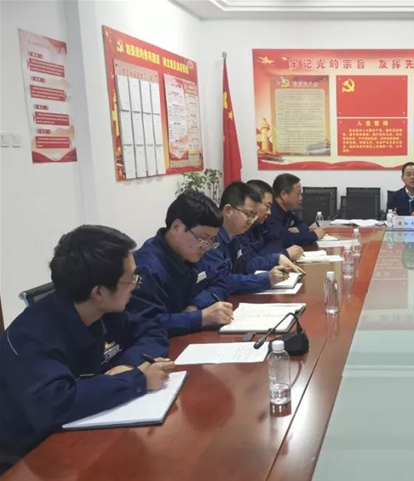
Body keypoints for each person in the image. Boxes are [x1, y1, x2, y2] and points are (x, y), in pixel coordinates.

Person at [0, 226, 172, 469]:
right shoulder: (31, 336)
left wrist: (127, 365)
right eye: (131, 278)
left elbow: (152, 330)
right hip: (30, 454)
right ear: (98, 292)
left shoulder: (104, 310)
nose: (135, 285)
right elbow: (55, 404)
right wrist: (138, 380)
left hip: (87, 426)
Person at [127, 191, 233, 337]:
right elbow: (145, 324)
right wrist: (200, 318)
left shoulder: (194, 251)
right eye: (203, 238)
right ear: (177, 227)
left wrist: (195, 306)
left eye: (211, 240)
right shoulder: (146, 268)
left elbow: (221, 283)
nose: (206, 247)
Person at [193, 182, 301, 309]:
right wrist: (266, 279)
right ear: (228, 210)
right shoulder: (211, 238)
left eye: (254, 215)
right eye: (249, 214)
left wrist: (275, 258)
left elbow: (244, 266)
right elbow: (224, 281)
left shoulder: (233, 235)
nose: (252, 220)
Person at [240, 179, 304, 262]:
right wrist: (284, 254)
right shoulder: (240, 229)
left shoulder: (261, 224)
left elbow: (277, 241)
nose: (269, 212)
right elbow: (249, 263)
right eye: (267, 206)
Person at [264, 173, 326, 247]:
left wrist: (298, 229)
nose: (301, 198)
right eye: (298, 194)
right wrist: (314, 235)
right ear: (283, 194)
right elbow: (284, 239)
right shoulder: (270, 213)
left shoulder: (286, 211)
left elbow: (303, 224)